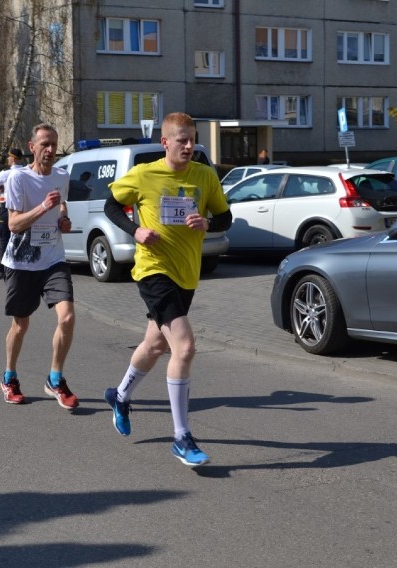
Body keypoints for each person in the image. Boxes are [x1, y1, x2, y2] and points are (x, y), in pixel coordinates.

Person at [102, 112, 232, 466]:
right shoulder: (144, 175)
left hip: (187, 274)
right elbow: (110, 205)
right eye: (182, 140)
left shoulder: (205, 176)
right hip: (152, 270)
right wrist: (135, 230)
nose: (189, 146)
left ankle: (120, 396)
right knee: (185, 346)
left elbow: (225, 216)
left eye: (192, 139)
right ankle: (181, 437)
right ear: (166, 143)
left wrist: (207, 221)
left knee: (156, 343)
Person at [0, 124, 78, 410]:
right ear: (32, 147)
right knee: (20, 325)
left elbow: (62, 205)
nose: (50, 150)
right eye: (45, 144)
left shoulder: (61, 176)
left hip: (53, 259)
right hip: (22, 261)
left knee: (67, 317)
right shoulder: (18, 178)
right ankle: (9, 377)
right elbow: (14, 224)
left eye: (54, 144)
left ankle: (55, 379)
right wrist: (44, 207)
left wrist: (63, 219)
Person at [0, 148, 26, 279]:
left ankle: (4, 269)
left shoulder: (5, 174)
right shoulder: (27, 171)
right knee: (21, 238)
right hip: (24, 208)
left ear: (12, 158)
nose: (7, 159)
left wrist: (2, 188)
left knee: (4, 239)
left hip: (7, 208)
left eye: (9, 157)